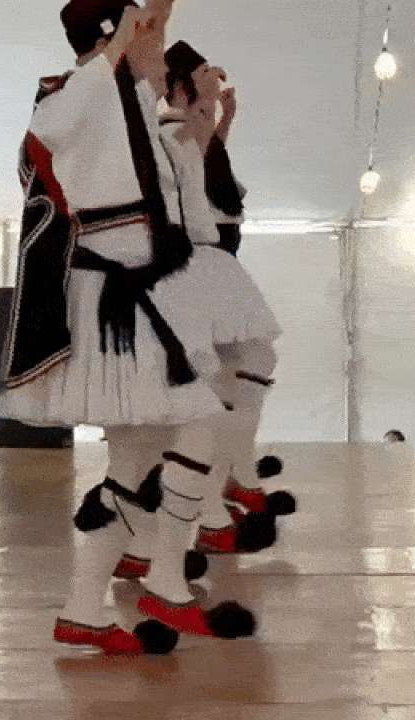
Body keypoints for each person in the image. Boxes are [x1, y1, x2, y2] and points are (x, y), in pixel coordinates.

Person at [0, 0, 254, 655]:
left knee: (136, 460)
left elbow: (188, 216)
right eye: (149, 32)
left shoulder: (126, 98)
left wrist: (199, 138)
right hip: (114, 301)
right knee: (197, 425)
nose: (161, 44)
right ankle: (162, 580)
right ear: (117, 37)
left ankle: (87, 609)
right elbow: (51, 131)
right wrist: (121, 49)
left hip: (136, 296)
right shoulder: (70, 94)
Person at [156, 40, 293, 555]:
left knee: (238, 373)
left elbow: (207, 168)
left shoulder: (187, 131)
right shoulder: (171, 131)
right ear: (181, 86)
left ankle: (231, 480)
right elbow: (197, 168)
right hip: (197, 263)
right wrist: (212, 112)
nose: (216, 74)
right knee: (218, 383)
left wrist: (221, 115)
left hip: (213, 263)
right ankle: (224, 490)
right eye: (204, 72)